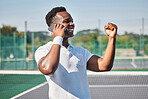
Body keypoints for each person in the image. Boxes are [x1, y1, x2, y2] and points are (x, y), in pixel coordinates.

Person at [35, 7, 117, 99]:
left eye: (72, 21)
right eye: (67, 21)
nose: (72, 24)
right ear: (54, 26)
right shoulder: (44, 50)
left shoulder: (81, 52)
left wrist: (111, 38)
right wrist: (58, 38)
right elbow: (47, 69)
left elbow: (104, 66)